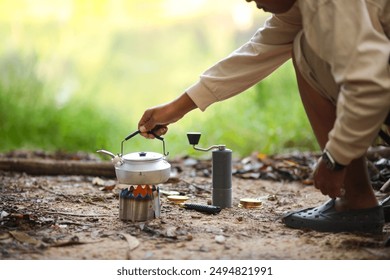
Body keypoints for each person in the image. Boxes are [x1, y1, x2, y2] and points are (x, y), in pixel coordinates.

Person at [138, 0, 390, 233]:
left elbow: (369, 87)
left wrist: (336, 158)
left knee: (307, 50)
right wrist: (176, 108)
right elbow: (257, 52)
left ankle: (356, 199)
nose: (250, 1)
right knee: (301, 42)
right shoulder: (304, 8)